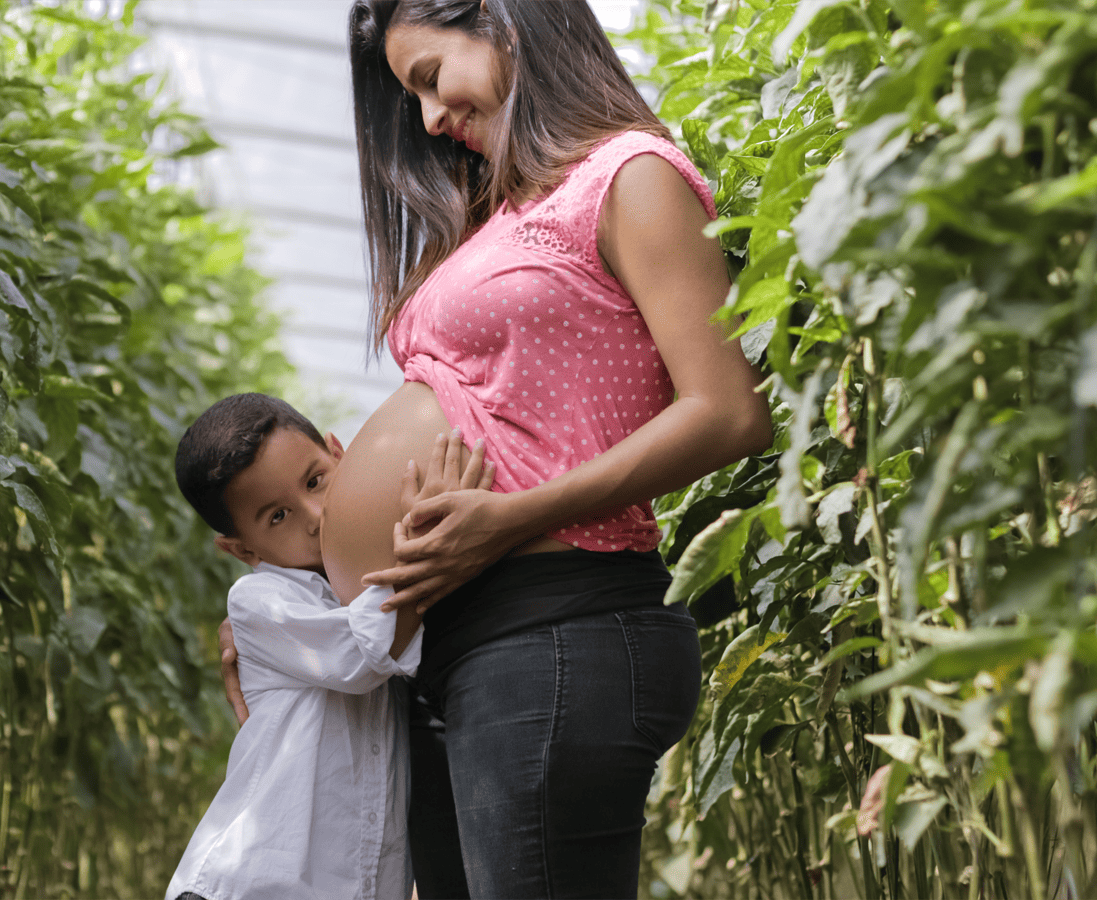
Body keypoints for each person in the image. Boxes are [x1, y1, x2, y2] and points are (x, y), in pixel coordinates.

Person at [224, 1, 773, 896]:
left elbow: (729, 412)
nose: (432, 119)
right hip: (461, 648)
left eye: (432, 80)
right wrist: (301, 618)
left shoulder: (628, 174)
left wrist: (507, 520)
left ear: (502, 20)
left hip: (556, 626)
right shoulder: (507, 212)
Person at [168, 393, 491, 900]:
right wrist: (431, 530)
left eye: (316, 480)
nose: (315, 516)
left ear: (342, 456)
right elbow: (363, 652)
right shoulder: (259, 601)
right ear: (243, 550)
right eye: (278, 516)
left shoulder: (356, 588)